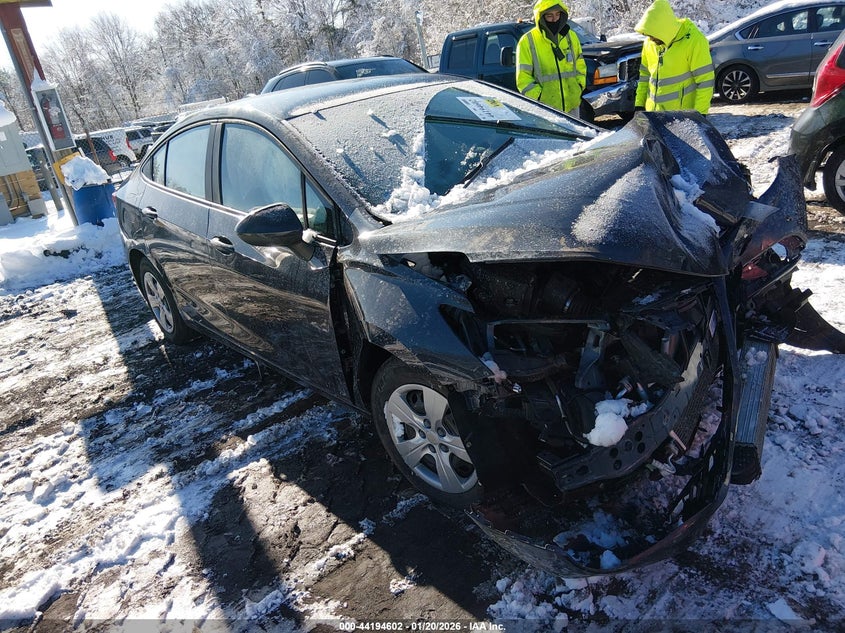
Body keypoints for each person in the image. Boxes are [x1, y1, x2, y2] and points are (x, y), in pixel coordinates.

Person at [634, 0, 714, 115]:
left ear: (663, 30)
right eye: (648, 35)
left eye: (653, 35)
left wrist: (700, 114)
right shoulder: (649, 44)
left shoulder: (694, 41)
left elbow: (705, 81)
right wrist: (639, 105)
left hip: (682, 118)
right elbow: (645, 76)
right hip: (654, 115)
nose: (650, 39)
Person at [516, 0, 586, 117]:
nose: (555, 19)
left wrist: (578, 87)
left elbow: (580, 64)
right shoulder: (527, 41)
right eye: (550, 16)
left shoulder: (571, 36)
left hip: (572, 107)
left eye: (557, 15)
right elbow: (523, 79)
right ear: (541, 17)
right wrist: (539, 97)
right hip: (545, 111)